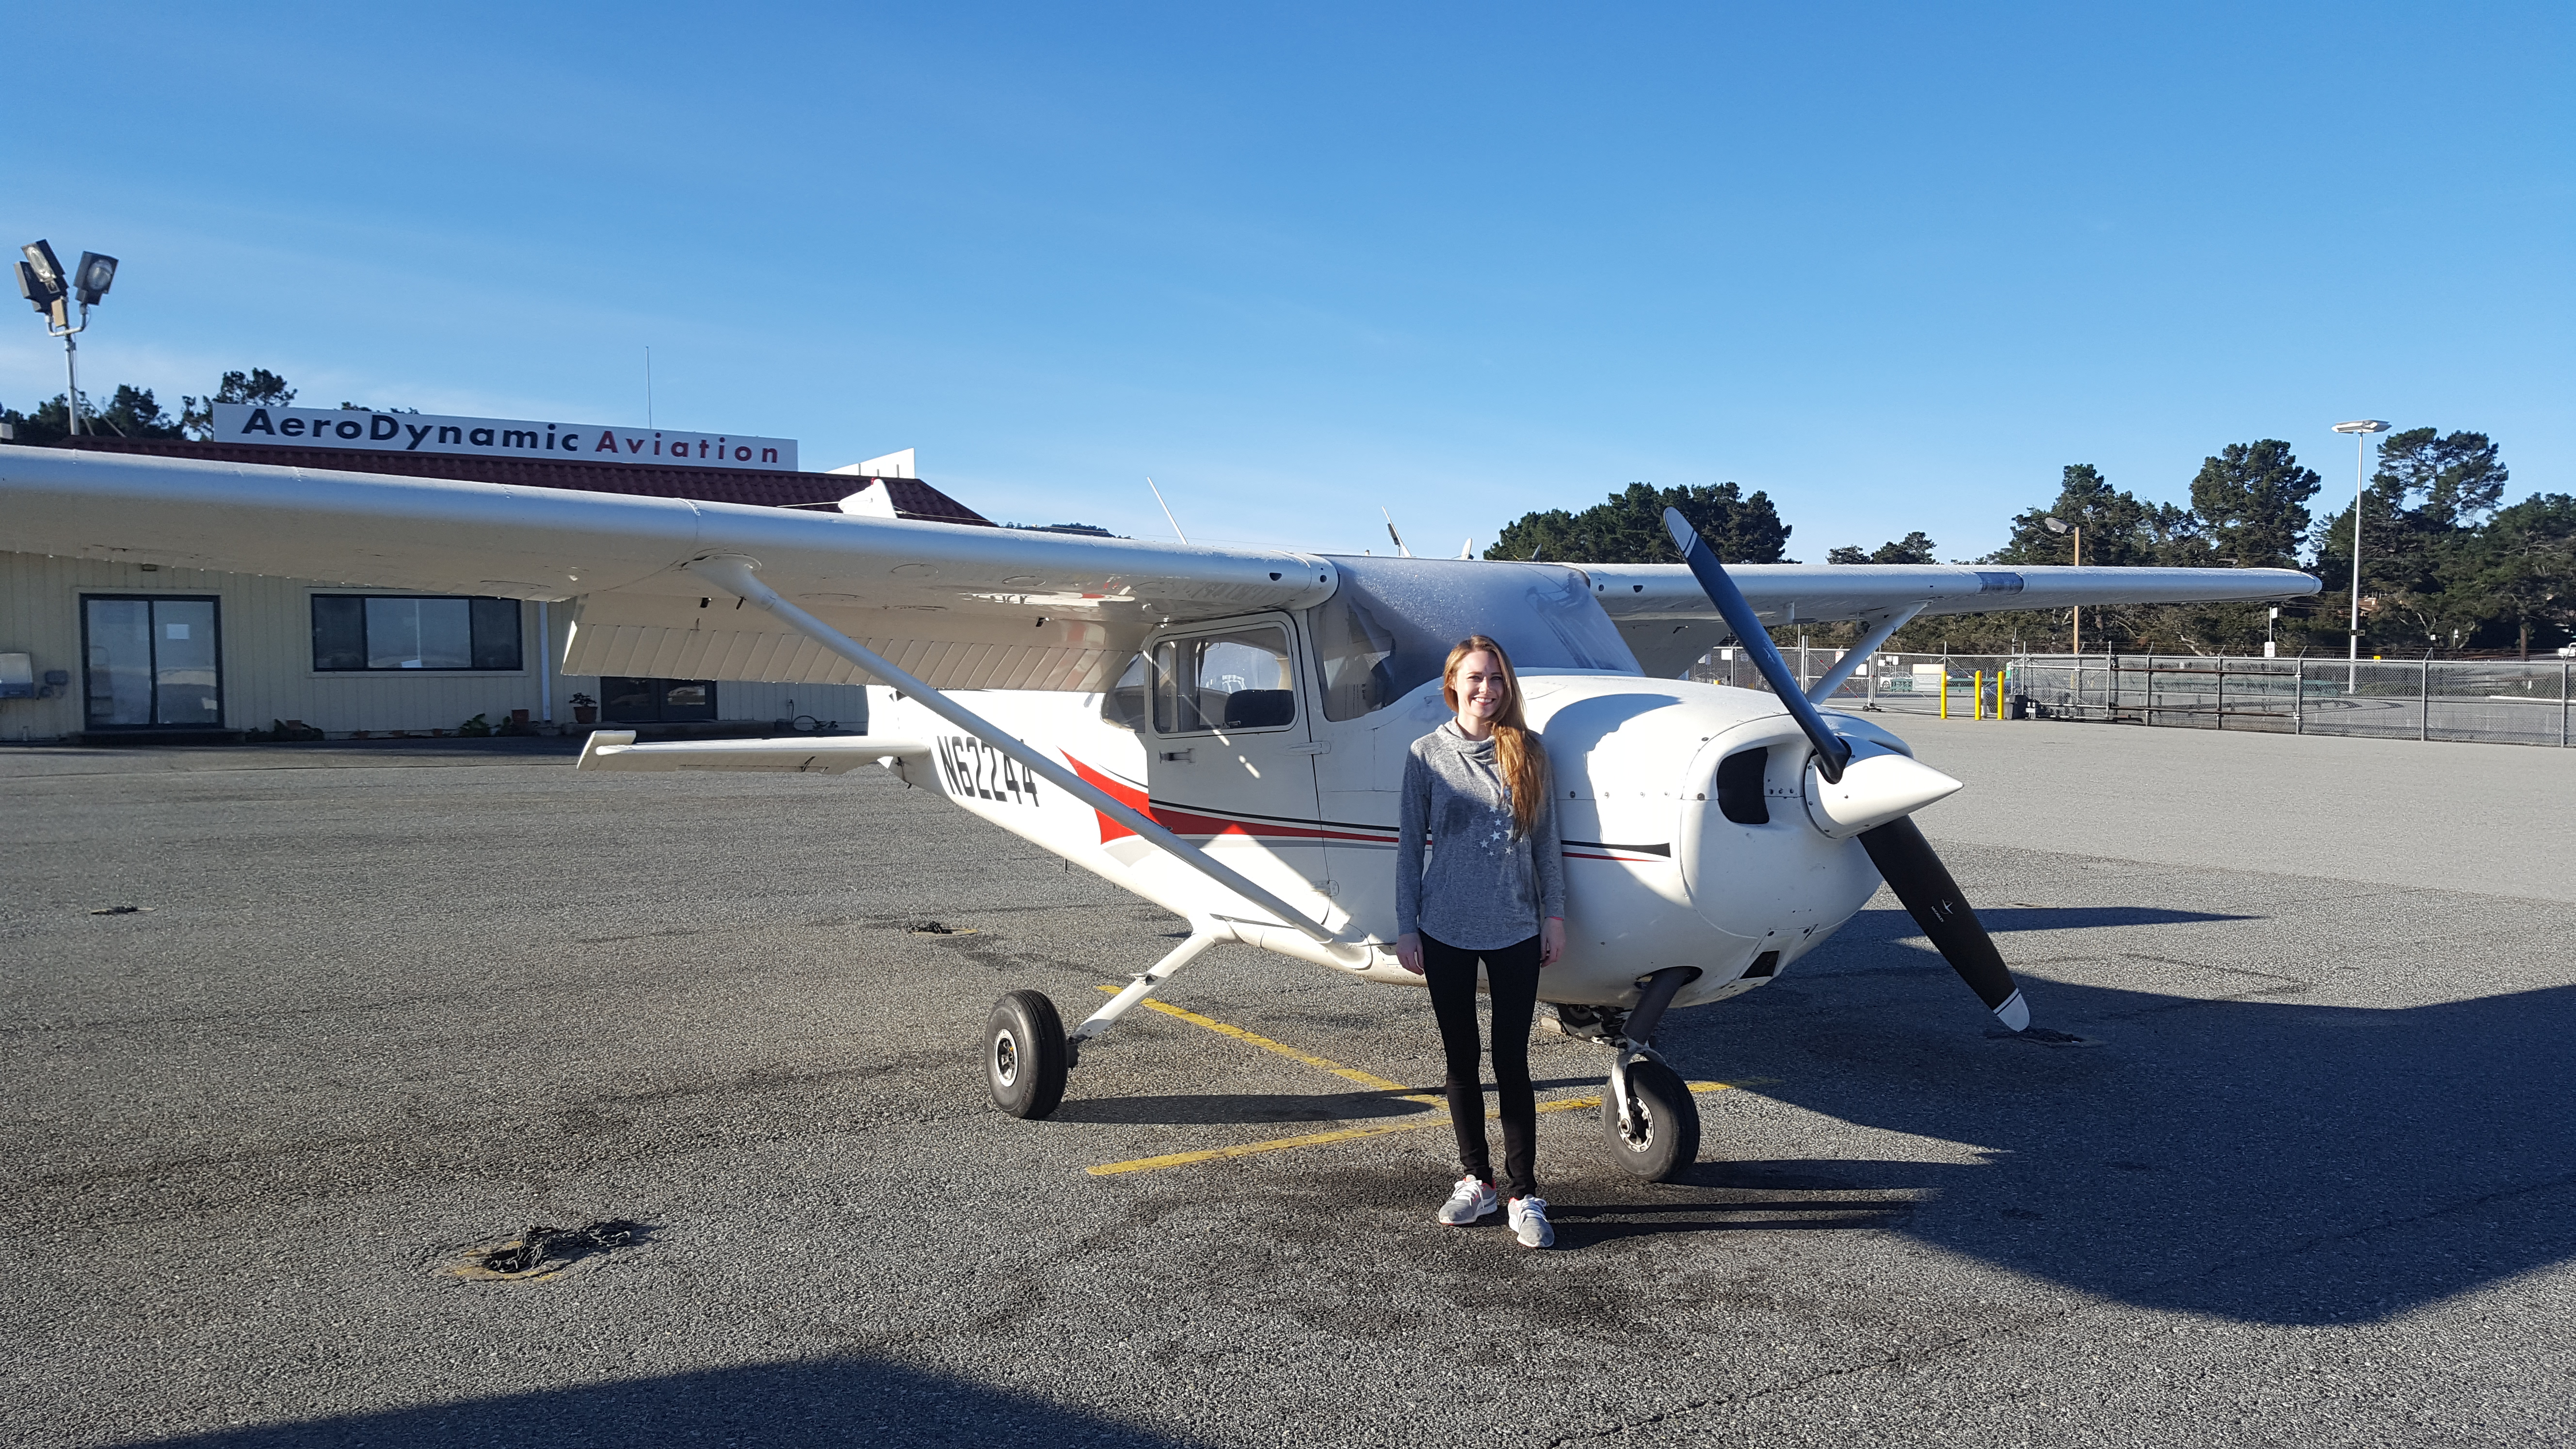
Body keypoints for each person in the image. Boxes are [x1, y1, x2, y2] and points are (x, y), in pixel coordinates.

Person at [1395, 635, 1567, 1249]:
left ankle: (1523, 1192)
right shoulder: (1424, 755)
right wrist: (1406, 925)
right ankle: (1477, 1179)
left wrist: (1555, 917)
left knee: (1511, 1062)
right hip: (1443, 929)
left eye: (1496, 679)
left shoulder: (1529, 751)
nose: (1486, 690)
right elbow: (1409, 846)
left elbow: (1545, 842)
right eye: (1474, 678)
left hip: (1516, 926)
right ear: (1452, 683)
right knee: (1460, 1062)